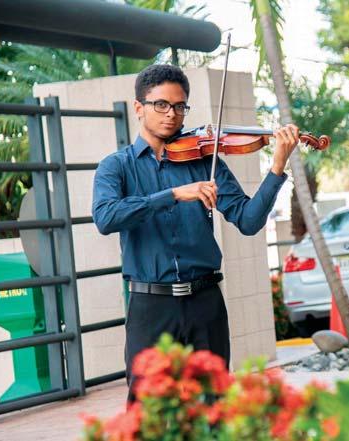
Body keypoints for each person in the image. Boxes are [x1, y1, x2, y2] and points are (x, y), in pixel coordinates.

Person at [92, 64, 299, 402]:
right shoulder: (116, 166)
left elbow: (248, 221)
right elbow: (105, 217)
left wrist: (276, 167)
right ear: (139, 107)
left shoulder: (204, 160)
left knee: (213, 406)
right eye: (161, 104)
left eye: (179, 106)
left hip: (205, 302)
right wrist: (173, 194)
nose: (171, 114)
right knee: (147, 410)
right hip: (151, 306)